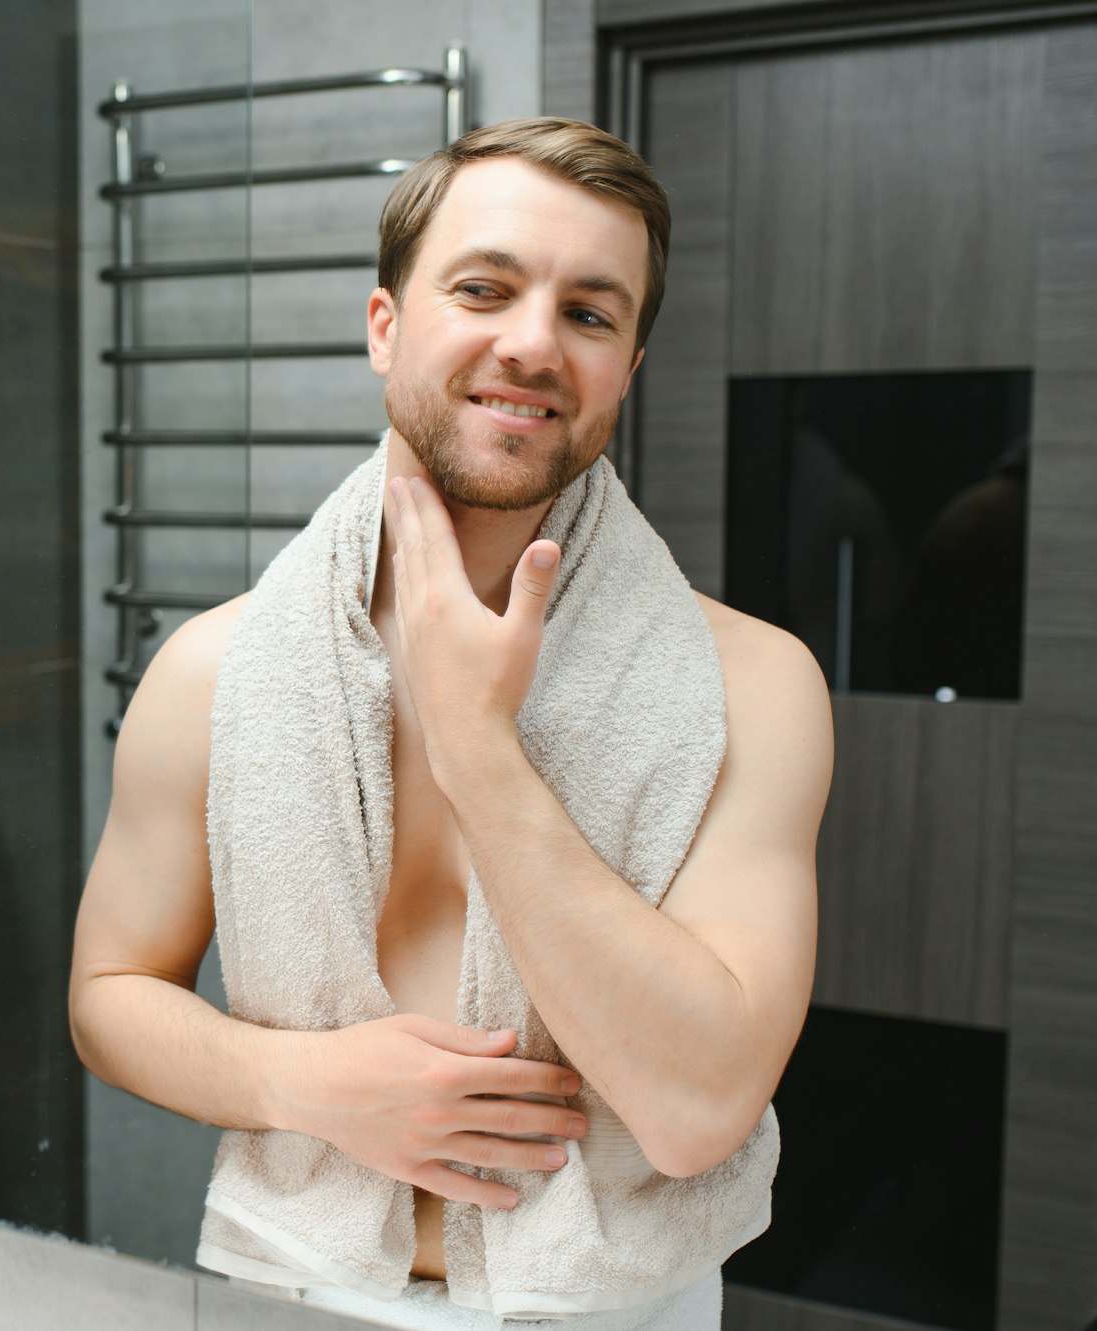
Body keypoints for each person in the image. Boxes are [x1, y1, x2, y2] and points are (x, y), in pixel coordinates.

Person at [70, 118, 831, 1329]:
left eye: (589, 313)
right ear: (385, 325)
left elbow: (697, 1109)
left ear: (626, 367)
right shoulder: (212, 668)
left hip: (616, 1303)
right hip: (292, 1283)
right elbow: (107, 993)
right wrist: (300, 1080)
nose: (529, 343)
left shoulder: (754, 682)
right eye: (482, 288)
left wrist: (476, 742)